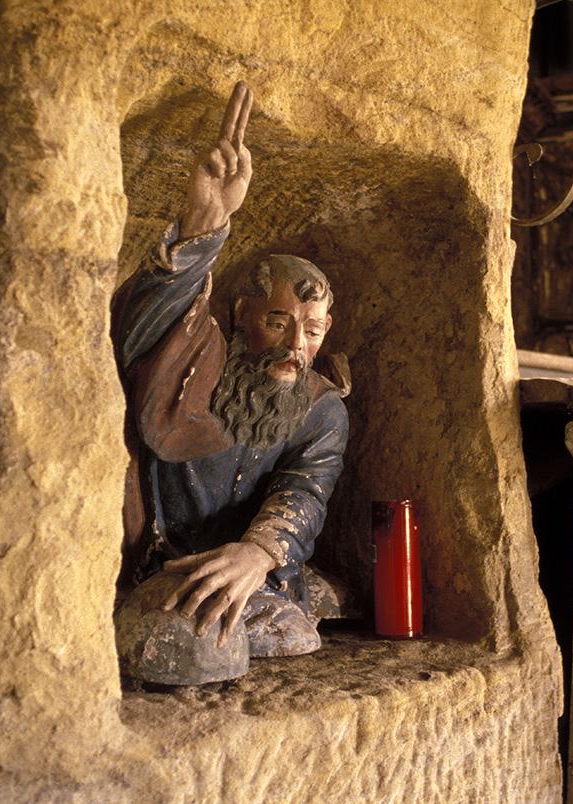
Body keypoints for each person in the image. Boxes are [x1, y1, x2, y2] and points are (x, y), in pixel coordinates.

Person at [111, 82, 348, 659]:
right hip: (158, 561)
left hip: (252, 573)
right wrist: (203, 222)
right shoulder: (198, 360)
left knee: (290, 633)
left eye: (312, 331)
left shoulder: (320, 409)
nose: (295, 344)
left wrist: (260, 553)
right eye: (278, 321)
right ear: (242, 314)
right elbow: (147, 323)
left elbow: (305, 491)